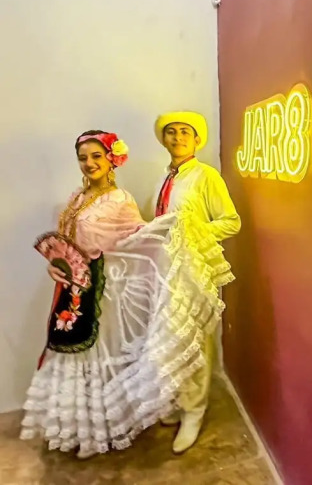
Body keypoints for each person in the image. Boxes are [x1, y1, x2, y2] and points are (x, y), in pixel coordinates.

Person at [20, 130, 195, 459]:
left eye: (96, 156)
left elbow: (139, 239)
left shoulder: (119, 200)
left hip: (104, 293)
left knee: (99, 358)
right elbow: (66, 245)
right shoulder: (76, 197)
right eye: (83, 158)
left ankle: (106, 427)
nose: (89, 163)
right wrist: (56, 267)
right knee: (72, 353)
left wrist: (174, 234)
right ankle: (77, 428)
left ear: (111, 159)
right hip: (73, 290)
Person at [152, 111, 240, 453]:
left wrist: (194, 234)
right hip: (168, 270)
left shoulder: (206, 176)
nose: (177, 138)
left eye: (184, 132)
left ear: (197, 139)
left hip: (196, 271)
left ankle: (194, 410)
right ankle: (179, 399)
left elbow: (231, 221)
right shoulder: (166, 178)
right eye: (171, 132)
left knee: (196, 340)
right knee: (174, 339)